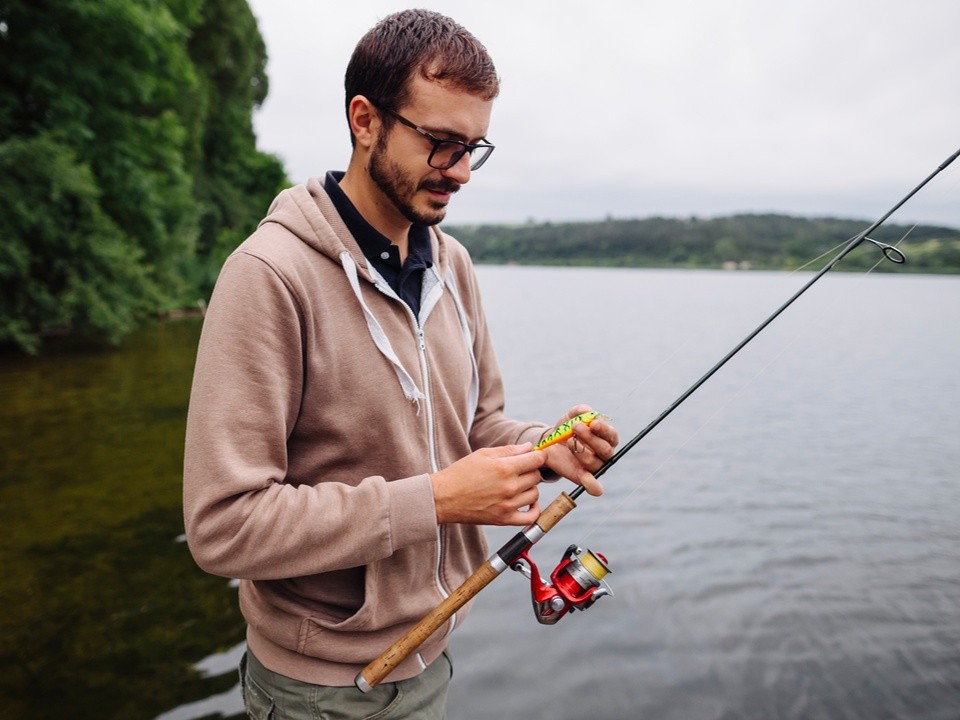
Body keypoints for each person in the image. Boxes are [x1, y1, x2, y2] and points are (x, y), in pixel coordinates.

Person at [183, 9, 619, 719]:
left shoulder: (454, 265)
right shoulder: (268, 275)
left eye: (474, 148)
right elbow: (223, 525)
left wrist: (543, 449)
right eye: (441, 144)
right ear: (364, 120)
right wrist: (438, 501)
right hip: (315, 689)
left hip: (431, 656)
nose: (460, 173)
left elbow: (475, 427)